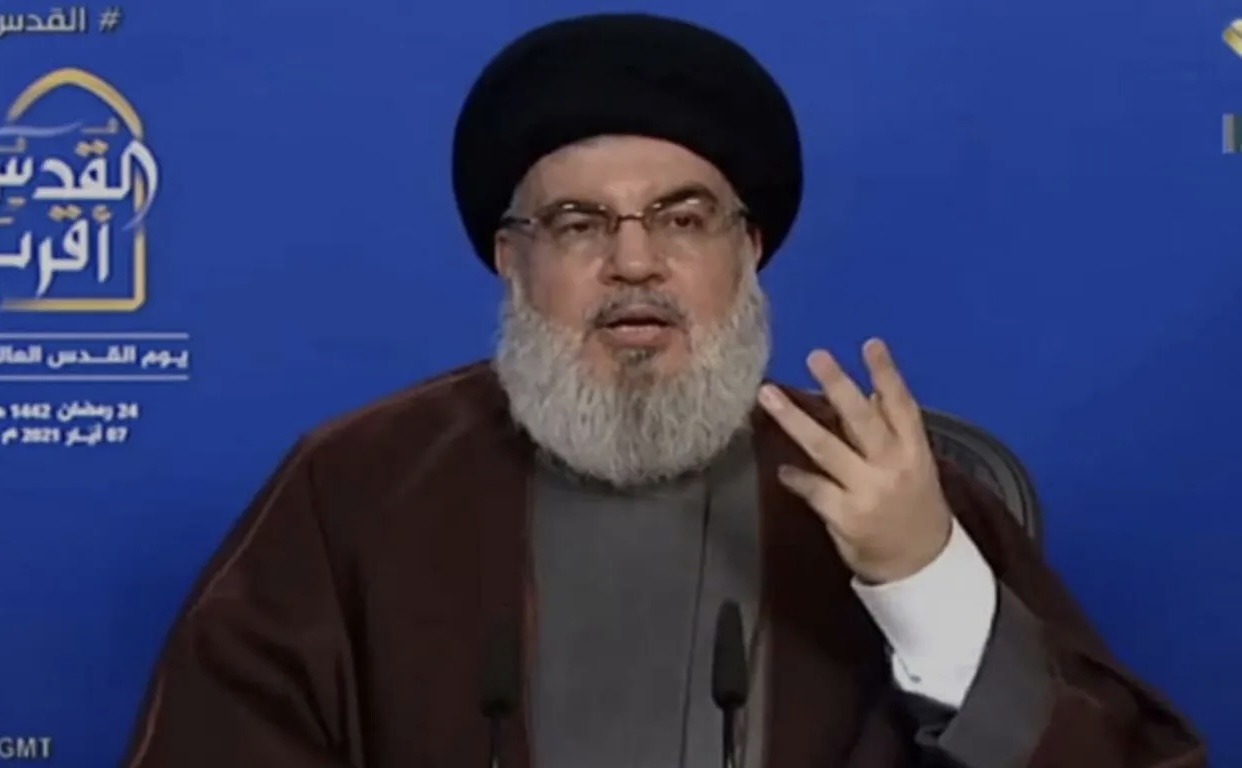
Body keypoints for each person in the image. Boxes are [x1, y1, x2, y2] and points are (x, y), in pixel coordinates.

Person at [119, 12, 1205, 768]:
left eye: (684, 219)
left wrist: (921, 580)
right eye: (579, 223)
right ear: (511, 261)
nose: (634, 261)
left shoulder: (881, 482)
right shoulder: (356, 487)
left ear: (749, 252)